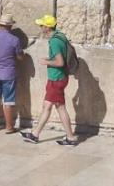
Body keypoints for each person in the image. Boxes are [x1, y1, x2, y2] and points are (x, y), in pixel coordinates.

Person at [21, 15, 79, 146]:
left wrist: (46, 61)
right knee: (49, 106)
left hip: (56, 79)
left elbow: (60, 62)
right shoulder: (60, 35)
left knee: (58, 108)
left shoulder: (54, 41)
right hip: (59, 78)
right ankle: (36, 134)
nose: (40, 27)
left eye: (42, 25)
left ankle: (69, 137)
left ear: (47, 27)